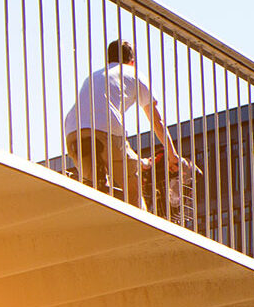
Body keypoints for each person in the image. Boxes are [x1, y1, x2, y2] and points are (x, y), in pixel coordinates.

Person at [64, 40, 186, 209]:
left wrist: (142, 162)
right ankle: (141, 227)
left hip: (72, 132)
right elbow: (157, 122)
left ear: (109, 60)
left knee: (95, 191)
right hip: (104, 129)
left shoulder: (95, 75)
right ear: (132, 61)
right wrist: (172, 155)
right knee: (133, 193)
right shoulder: (133, 73)